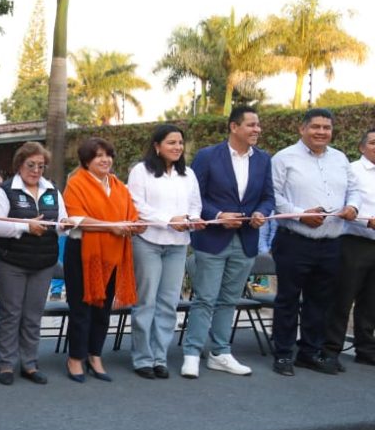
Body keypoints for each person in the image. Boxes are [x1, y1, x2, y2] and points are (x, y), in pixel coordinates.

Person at [182, 106, 274, 379]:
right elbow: (194, 196)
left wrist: (262, 213)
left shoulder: (263, 159)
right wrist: (219, 215)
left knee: (229, 300)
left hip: (246, 240)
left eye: (258, 125)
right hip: (212, 239)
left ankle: (220, 353)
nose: (257, 129)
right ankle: (191, 352)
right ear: (234, 127)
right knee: (205, 299)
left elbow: (268, 196)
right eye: (251, 124)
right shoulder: (208, 156)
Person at [271, 108, 359, 376]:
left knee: (320, 301)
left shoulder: (340, 158)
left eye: (327, 128)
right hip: (294, 241)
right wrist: (300, 215)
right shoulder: (283, 157)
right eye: (315, 127)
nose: (321, 132)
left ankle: (309, 352)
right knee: (288, 299)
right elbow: (273, 196)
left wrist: (353, 207)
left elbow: (353, 189)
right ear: (302, 129)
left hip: (331, 242)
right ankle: (284, 354)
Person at [0, 141, 69, 386]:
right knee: (11, 314)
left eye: (40, 166)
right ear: (19, 165)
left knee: (33, 315)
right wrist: (25, 226)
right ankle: (6, 364)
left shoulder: (52, 190)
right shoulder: (5, 191)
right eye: (30, 165)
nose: (36, 170)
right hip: (11, 263)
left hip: (43, 263)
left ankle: (30, 364)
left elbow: (62, 222)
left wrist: (65, 225)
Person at [62, 137, 142, 383]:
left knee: (103, 311)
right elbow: (76, 218)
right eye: (98, 156)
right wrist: (112, 227)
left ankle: (95, 355)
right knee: (81, 309)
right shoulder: (76, 184)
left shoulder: (119, 186)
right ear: (86, 161)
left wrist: (135, 226)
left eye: (108, 155)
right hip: (82, 254)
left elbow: (132, 215)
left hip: (113, 255)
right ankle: (75, 358)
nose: (105, 160)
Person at [127, 125, 202, 380]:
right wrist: (169, 219)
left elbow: (195, 205)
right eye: (171, 142)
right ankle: (142, 358)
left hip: (178, 244)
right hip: (148, 241)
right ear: (157, 146)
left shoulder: (188, 174)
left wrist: (191, 219)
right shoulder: (141, 171)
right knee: (145, 301)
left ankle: (160, 357)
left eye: (180, 142)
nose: (177, 147)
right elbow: (137, 205)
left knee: (169, 303)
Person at [325, 128, 375, 368]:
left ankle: (365, 349)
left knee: (371, 301)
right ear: (362, 147)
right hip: (354, 242)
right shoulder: (352, 170)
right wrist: (367, 219)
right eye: (374, 143)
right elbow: (341, 207)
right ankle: (331, 349)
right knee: (342, 298)